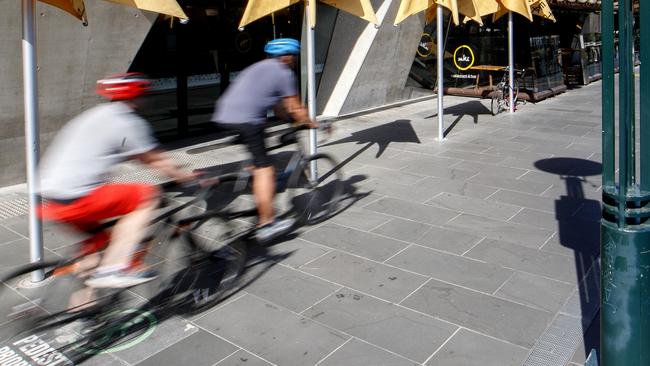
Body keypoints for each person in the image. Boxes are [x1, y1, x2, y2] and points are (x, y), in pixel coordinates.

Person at [38, 73, 196, 289]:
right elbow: (156, 161)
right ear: (136, 96)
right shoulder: (126, 121)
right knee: (147, 194)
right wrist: (187, 176)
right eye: (145, 94)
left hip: (54, 199)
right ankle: (115, 268)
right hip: (79, 197)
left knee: (98, 249)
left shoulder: (95, 114)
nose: (147, 99)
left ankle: (81, 313)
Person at [212, 38, 319, 242]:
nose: (295, 60)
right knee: (266, 170)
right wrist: (314, 124)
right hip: (246, 121)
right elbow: (295, 107)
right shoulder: (283, 72)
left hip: (224, 117)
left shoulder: (257, 67)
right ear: (287, 56)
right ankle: (267, 223)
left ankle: (252, 174)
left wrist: (288, 120)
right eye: (294, 56)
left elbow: (279, 107)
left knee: (258, 155)